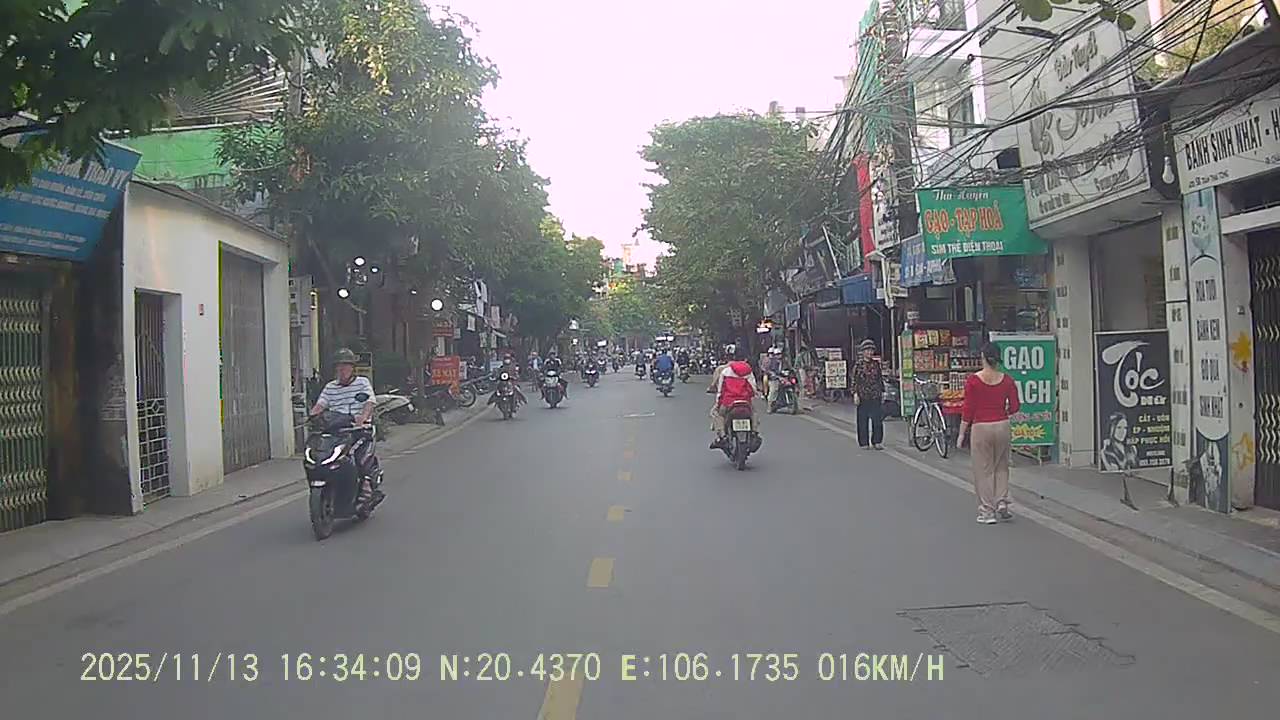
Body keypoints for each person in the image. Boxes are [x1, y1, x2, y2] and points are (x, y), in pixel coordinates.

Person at [958, 342, 1021, 524]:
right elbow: (1015, 406)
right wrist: (1003, 412)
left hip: (981, 427)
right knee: (1001, 466)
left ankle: (987, 511)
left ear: (983, 357)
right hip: (1002, 425)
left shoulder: (973, 381)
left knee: (983, 470)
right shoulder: (1007, 380)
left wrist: (962, 433)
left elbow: (968, 409)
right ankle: (1002, 501)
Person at [310, 348, 379, 503]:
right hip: (336, 432)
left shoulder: (362, 383)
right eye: (339, 366)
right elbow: (320, 405)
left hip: (358, 430)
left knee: (356, 456)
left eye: (346, 366)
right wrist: (312, 416)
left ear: (352, 368)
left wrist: (363, 418)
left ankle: (366, 484)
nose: (342, 370)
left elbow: (370, 402)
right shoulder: (330, 387)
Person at [709, 345, 759, 449]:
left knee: (716, 414)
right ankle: (754, 433)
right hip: (745, 402)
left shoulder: (725, 371)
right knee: (754, 413)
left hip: (729, 402)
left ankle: (722, 437)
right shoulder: (748, 370)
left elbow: (721, 390)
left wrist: (718, 404)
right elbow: (753, 388)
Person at [851, 339, 885, 449]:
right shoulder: (858, 365)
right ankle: (864, 442)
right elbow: (854, 380)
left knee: (877, 420)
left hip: (875, 395)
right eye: (867, 350)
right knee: (862, 420)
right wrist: (855, 393)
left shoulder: (876, 364)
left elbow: (880, 379)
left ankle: (877, 441)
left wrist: (882, 392)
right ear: (863, 352)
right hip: (863, 395)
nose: (870, 352)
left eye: (871, 350)